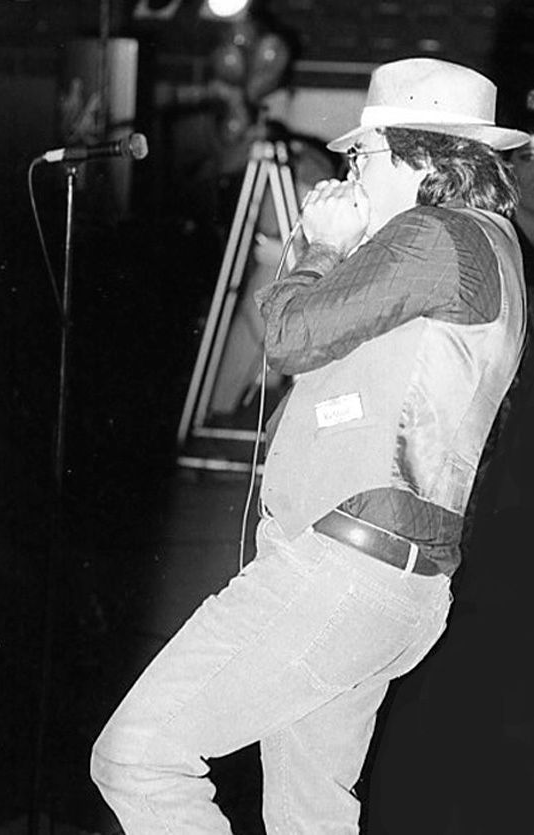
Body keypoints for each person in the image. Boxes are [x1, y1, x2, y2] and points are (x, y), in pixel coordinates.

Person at [90, 57, 528, 834]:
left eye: (362, 155)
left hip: (340, 573)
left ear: (419, 157)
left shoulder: (434, 235)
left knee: (138, 757)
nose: (349, 173)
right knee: (309, 815)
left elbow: (290, 335)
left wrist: (322, 245)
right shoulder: (486, 244)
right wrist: (337, 248)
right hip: (389, 582)